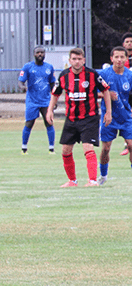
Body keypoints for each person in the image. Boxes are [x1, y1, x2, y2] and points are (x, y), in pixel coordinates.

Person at [47, 47, 111, 187]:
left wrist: (108, 112)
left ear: (84, 60)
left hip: (90, 117)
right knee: (65, 150)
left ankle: (92, 180)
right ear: (69, 60)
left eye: (79, 59)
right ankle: (72, 181)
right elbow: (55, 93)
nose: (77, 62)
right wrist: (49, 111)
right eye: (74, 59)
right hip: (71, 118)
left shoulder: (92, 74)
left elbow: (106, 91)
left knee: (88, 147)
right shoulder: (64, 75)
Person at [97, 46, 132, 185]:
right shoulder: (104, 74)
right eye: (116, 57)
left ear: (126, 58)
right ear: (111, 59)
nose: (119, 60)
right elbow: (93, 92)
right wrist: (106, 94)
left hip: (126, 117)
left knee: (131, 146)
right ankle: (103, 176)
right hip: (108, 117)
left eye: (122, 57)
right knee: (106, 148)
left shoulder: (129, 75)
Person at [18, 46, 55, 154]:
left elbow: (52, 83)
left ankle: (51, 148)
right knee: (29, 123)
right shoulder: (28, 67)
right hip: (32, 100)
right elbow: (20, 81)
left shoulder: (49, 67)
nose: (40, 54)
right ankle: (24, 148)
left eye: (42, 52)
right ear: (34, 54)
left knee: (49, 122)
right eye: (38, 52)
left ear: (45, 54)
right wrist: (22, 87)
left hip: (46, 100)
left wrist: (54, 99)